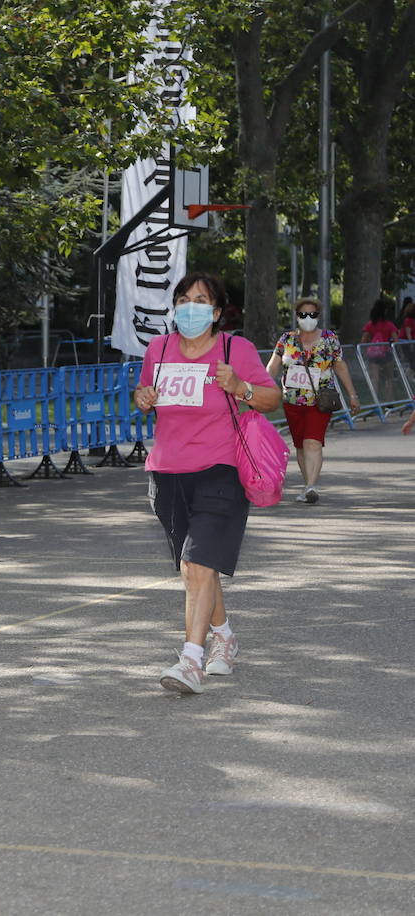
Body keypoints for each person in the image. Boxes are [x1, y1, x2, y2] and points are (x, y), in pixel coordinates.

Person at [132, 272, 280, 695]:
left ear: (216, 312)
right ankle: (226, 637)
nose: (189, 307)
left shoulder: (236, 349)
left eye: (200, 301)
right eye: (183, 299)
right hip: (166, 470)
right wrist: (142, 397)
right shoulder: (159, 348)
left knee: (198, 564)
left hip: (221, 468)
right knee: (194, 568)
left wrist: (241, 386)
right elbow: (147, 392)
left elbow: (272, 399)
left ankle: (190, 661)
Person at [266, 298, 361, 504]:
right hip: (292, 400)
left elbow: (340, 366)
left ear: (318, 316)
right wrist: (260, 385)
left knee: (312, 442)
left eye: (312, 314)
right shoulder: (286, 339)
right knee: (300, 444)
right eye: (303, 314)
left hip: (320, 400)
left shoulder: (329, 338)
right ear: (296, 316)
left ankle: (311, 486)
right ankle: (307, 484)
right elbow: (273, 366)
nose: (307, 318)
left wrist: (352, 395)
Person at [360, 298, 400, 403]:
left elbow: (363, 340)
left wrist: (368, 347)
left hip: (373, 355)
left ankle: (375, 402)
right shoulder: (389, 325)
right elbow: (396, 340)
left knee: (374, 379)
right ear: (385, 311)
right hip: (386, 354)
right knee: (389, 378)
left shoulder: (370, 324)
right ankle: (389, 402)